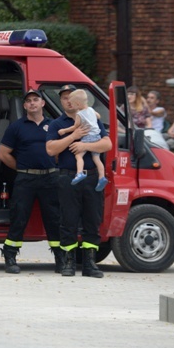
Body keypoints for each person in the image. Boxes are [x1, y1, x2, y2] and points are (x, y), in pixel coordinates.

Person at [46, 84, 112, 278]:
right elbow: (51, 149)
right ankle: (68, 262)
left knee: (93, 219)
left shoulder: (91, 116)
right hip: (68, 176)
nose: (68, 100)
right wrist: (73, 136)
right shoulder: (57, 124)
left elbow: (107, 143)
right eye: (64, 97)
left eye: (70, 96)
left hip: (91, 176)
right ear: (62, 102)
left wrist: (84, 144)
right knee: (68, 220)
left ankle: (90, 263)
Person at [0, 89, 62, 274]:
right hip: (25, 178)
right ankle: (10, 256)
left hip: (50, 177)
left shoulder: (54, 126)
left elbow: (60, 151)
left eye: (36, 100)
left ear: (43, 103)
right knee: (19, 217)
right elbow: (2, 154)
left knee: (54, 218)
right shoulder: (16, 127)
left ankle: (60, 258)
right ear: (24, 106)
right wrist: (21, 168)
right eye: (28, 101)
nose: (32, 103)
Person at [57, 89, 107, 190]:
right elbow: (98, 116)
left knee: (78, 156)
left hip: (88, 138)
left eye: (73, 104)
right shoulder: (91, 110)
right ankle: (102, 177)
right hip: (96, 137)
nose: (72, 105)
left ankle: (79, 173)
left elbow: (75, 127)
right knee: (97, 159)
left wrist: (64, 131)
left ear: (78, 104)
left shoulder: (79, 114)